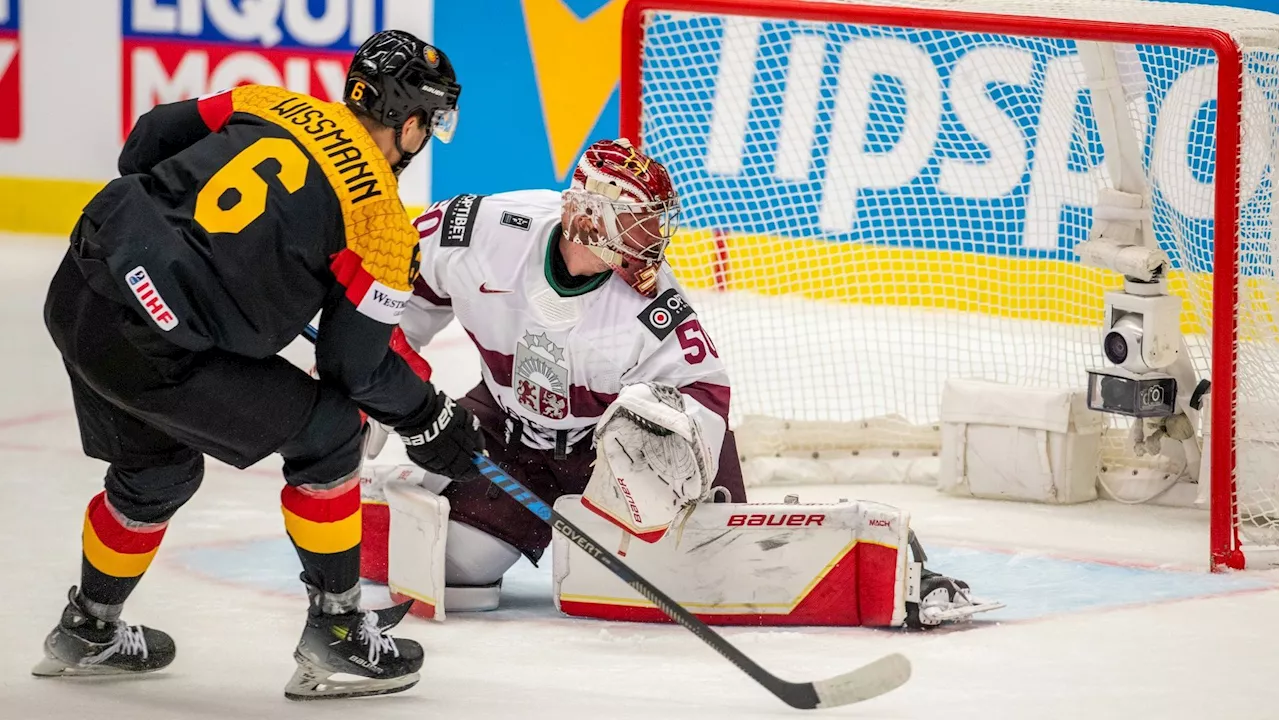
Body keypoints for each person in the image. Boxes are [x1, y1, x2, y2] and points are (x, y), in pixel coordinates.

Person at [359, 139, 987, 628]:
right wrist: (379, 387)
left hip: (607, 451)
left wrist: (664, 468)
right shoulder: (484, 232)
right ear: (587, 220)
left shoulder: (654, 309)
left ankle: (909, 564)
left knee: (716, 572)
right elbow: (395, 302)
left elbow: (707, 394)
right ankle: (369, 514)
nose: (652, 241)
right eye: (636, 225)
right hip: (507, 431)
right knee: (458, 573)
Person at [35, 30, 484, 701]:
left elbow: (146, 140)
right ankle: (338, 638)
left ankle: (88, 628)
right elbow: (352, 371)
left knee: (157, 469)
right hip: (156, 348)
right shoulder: (382, 224)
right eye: (432, 123)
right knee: (331, 433)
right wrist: (428, 418)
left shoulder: (274, 103)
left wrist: (176, 240)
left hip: (81, 289)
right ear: (411, 121)